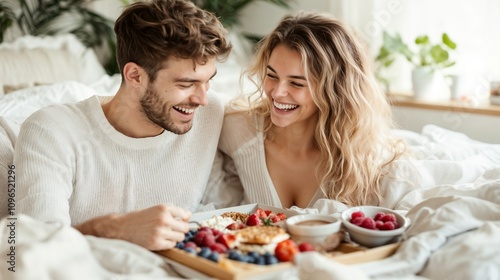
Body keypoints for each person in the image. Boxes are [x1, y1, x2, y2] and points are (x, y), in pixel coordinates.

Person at [15, 0, 232, 251]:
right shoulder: (51, 131)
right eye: (185, 84)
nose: (202, 99)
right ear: (135, 76)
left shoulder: (210, 112)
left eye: (208, 81)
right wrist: (113, 228)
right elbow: (35, 247)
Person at [218, 11, 406, 211]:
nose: (278, 93)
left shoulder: (361, 159)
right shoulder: (238, 129)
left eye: (296, 83)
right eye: (272, 75)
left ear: (334, 90)